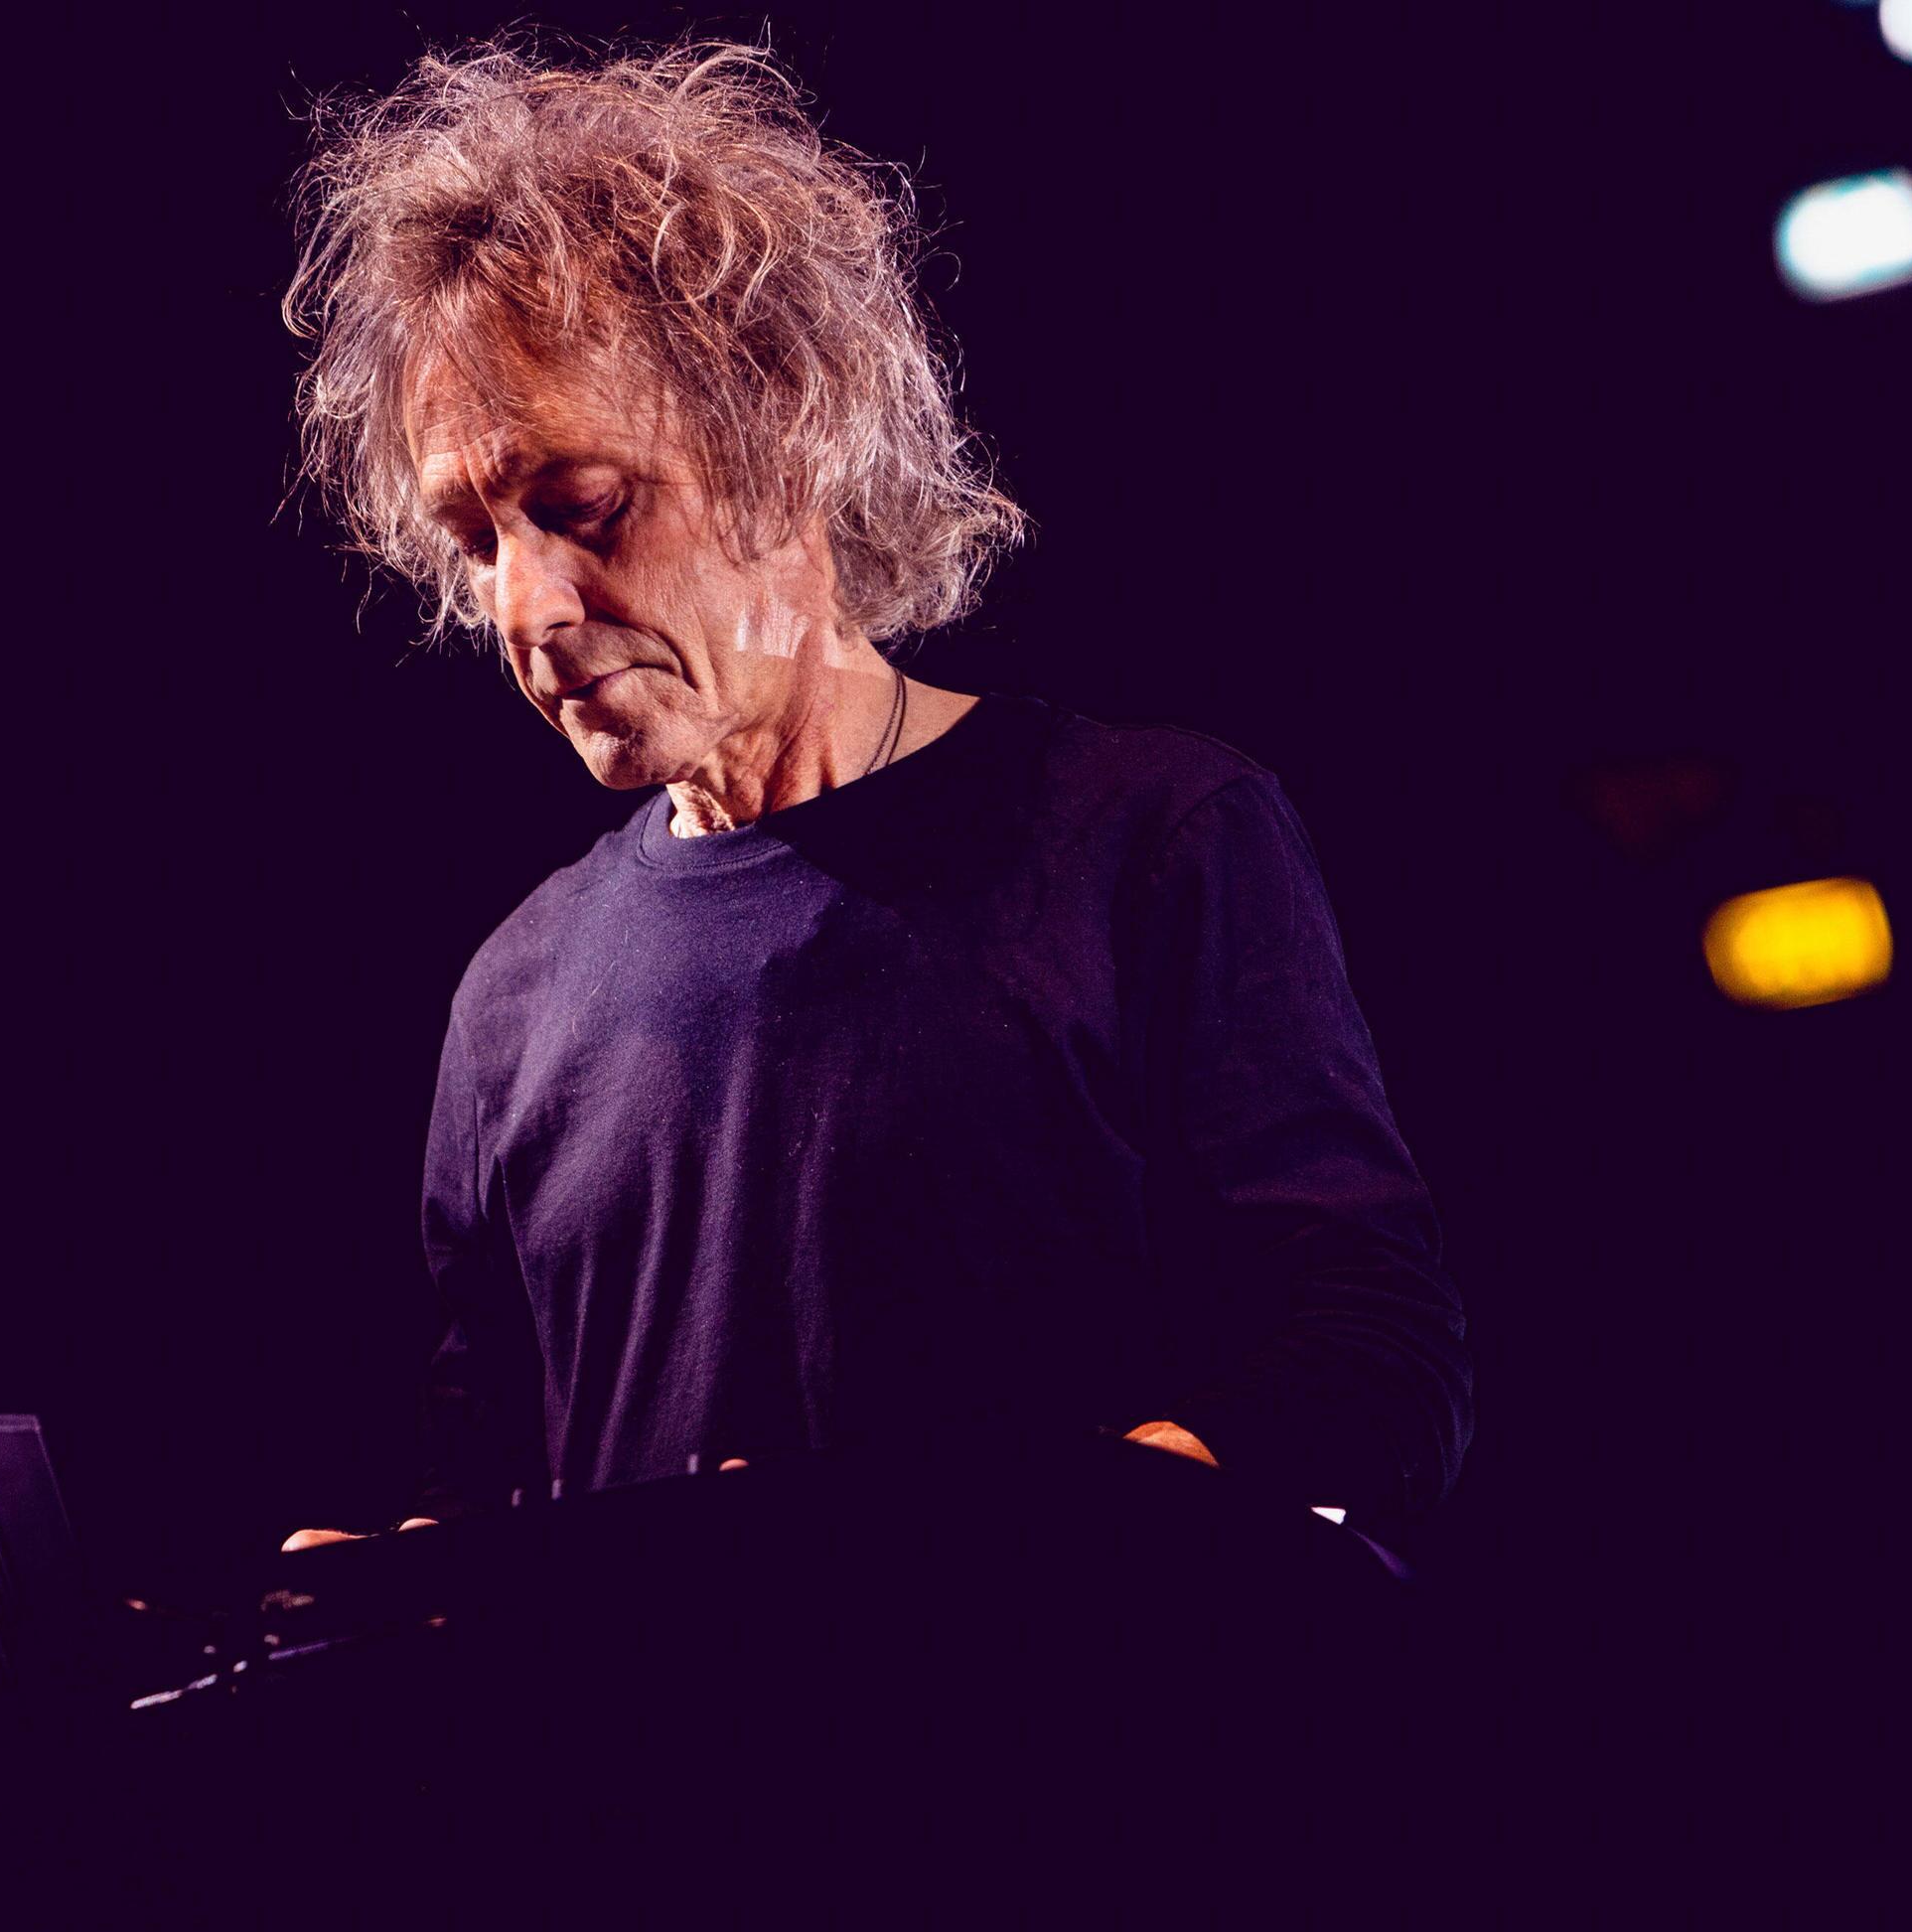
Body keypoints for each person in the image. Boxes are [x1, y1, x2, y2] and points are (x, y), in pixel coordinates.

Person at [274, 40, 1469, 1560]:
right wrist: (412, 1582)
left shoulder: (1152, 838)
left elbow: (1373, 1367)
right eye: (477, 541)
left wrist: (1048, 1537)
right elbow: (490, 1479)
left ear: (787, 440)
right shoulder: (513, 994)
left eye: (582, 508)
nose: (527, 606)